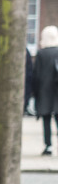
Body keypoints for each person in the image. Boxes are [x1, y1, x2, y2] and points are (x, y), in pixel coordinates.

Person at [34, 26, 58, 155]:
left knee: (46, 121)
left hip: (44, 92)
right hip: (56, 92)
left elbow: (36, 74)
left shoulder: (42, 53)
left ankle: (48, 146)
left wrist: (35, 92)